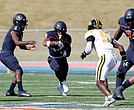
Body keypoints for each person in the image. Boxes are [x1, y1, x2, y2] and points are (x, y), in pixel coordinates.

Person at [80, 19, 128, 106]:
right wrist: (124, 58)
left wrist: (84, 53)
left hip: (104, 57)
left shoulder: (90, 33)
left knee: (98, 82)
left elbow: (88, 48)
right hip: (113, 58)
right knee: (103, 78)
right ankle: (107, 98)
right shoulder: (106, 33)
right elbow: (120, 46)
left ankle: (110, 96)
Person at [0, 13, 36, 97]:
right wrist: (29, 41)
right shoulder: (14, 31)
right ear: (18, 23)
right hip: (5, 54)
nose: (24, 25)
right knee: (18, 70)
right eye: (23, 23)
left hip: (7, 54)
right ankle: (20, 90)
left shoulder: (17, 31)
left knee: (19, 71)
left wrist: (28, 48)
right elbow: (17, 42)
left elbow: (20, 46)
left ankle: (10, 91)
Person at [43, 21, 72, 96]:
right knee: (57, 69)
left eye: (63, 31)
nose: (61, 33)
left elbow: (68, 48)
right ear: (56, 30)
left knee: (64, 75)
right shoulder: (50, 34)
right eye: (60, 31)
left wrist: (66, 53)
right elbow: (44, 43)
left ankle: (60, 86)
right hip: (53, 58)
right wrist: (56, 43)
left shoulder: (67, 37)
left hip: (62, 58)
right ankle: (64, 84)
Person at [113, 8, 134, 100]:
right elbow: (119, 31)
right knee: (121, 71)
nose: (129, 23)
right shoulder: (123, 22)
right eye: (127, 21)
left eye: (131, 21)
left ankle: (121, 88)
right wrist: (113, 41)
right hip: (131, 49)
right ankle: (117, 93)